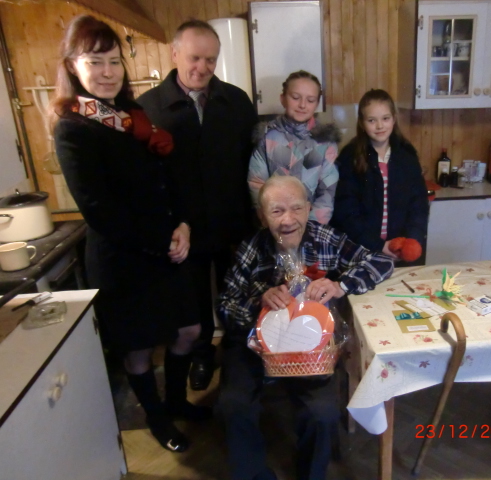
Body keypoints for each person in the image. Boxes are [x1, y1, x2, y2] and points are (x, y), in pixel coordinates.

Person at [52, 15, 210, 453]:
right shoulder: (73, 128)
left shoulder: (130, 117)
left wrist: (183, 224)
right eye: (95, 62)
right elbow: (100, 211)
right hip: (123, 258)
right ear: (73, 67)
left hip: (165, 246)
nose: (107, 72)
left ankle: (176, 402)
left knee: (189, 329)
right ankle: (157, 420)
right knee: (138, 348)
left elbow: (166, 180)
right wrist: (163, 242)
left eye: (114, 61)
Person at [216, 175, 393, 480]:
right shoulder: (252, 248)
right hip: (253, 345)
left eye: (296, 208)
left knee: (322, 413)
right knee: (232, 405)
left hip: (311, 349)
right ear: (262, 216)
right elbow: (225, 304)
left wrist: (340, 285)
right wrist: (259, 303)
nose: (288, 220)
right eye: (276, 211)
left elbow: (381, 262)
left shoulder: (325, 238)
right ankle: (256, 475)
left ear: (309, 208)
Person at [138, 20, 258, 391]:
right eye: (194, 58)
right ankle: (203, 356)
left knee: (236, 296)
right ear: (174, 53)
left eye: (210, 60)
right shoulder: (149, 108)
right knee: (193, 306)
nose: (202, 68)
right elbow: (146, 177)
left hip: (231, 223)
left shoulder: (236, 101)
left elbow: (251, 163)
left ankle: (238, 357)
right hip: (182, 227)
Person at [331, 89, 429, 264]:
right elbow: (346, 211)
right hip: (361, 251)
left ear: (394, 119)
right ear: (362, 123)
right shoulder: (350, 157)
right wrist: (379, 245)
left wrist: (413, 239)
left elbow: (419, 204)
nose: (380, 126)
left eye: (385, 118)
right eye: (371, 120)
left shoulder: (407, 155)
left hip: (401, 250)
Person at [248, 70, 340, 225]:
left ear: (317, 104)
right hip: (274, 226)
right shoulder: (267, 137)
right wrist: (272, 222)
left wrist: (311, 228)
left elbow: (327, 192)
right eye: (295, 98)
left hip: (311, 227)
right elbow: (257, 184)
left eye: (310, 100)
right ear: (283, 99)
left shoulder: (325, 142)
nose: (302, 105)